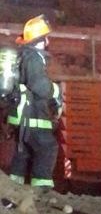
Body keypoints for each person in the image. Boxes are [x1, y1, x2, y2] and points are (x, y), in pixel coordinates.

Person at [7, 15, 63, 188]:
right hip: (31, 117)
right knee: (47, 148)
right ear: (40, 40)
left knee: (23, 153)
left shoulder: (25, 55)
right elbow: (39, 86)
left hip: (23, 117)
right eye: (45, 37)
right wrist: (55, 90)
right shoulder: (33, 58)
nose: (48, 41)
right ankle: (42, 193)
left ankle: (11, 194)